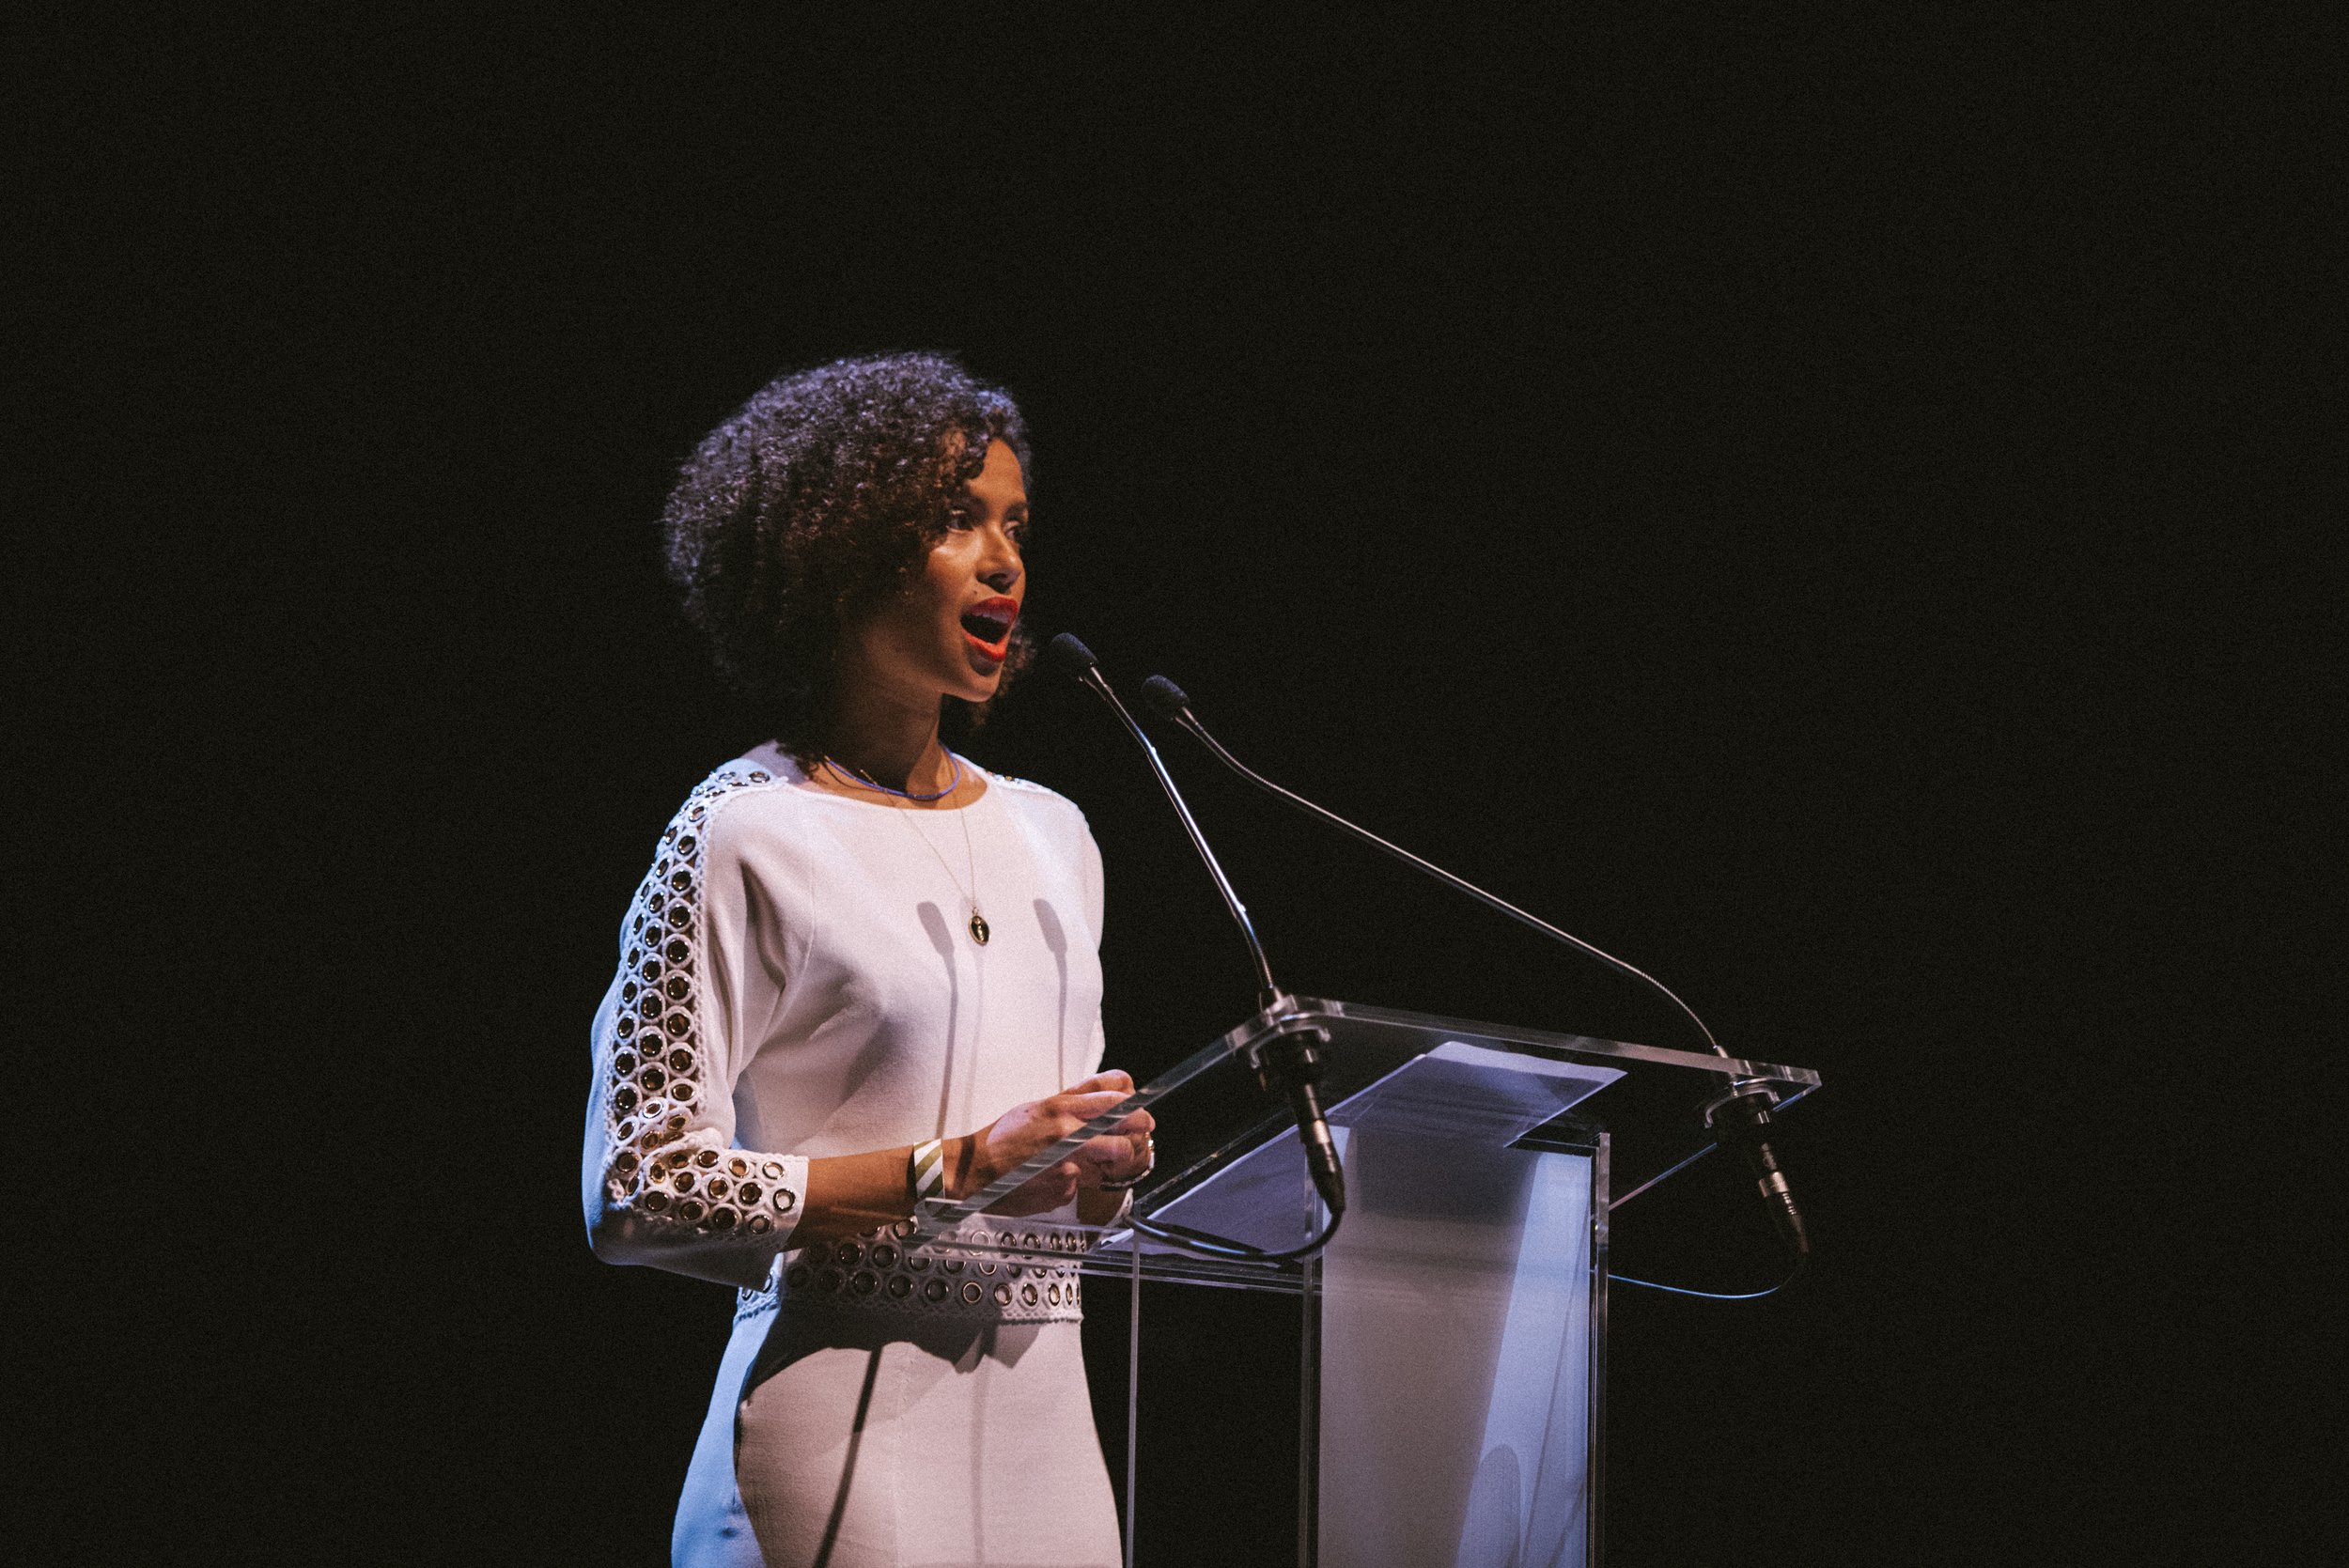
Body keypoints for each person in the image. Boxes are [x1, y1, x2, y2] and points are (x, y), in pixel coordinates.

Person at [581, 352, 1152, 1568]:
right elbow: (637, 1187)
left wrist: (1101, 1172)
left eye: (1016, 523)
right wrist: (956, 1163)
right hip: (843, 1443)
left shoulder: (1056, 833)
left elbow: (1073, 1203)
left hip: (1055, 1445)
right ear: (841, 553)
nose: (1006, 558)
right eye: (958, 520)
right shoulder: (742, 829)